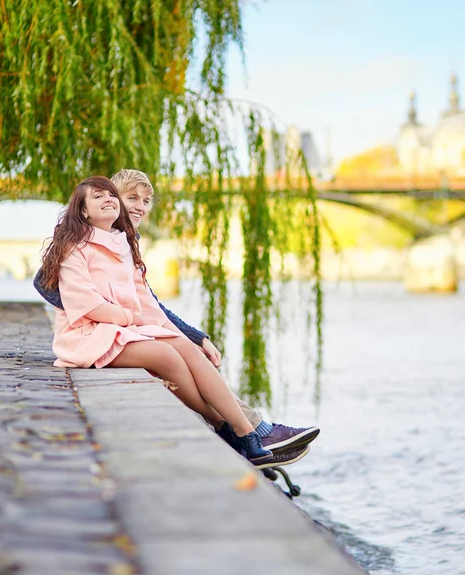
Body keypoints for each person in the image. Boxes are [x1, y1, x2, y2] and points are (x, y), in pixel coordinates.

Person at [35, 170, 319, 466]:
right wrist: (108, 314)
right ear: (84, 209)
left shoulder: (125, 244)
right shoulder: (75, 245)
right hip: (93, 334)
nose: (139, 206)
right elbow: (47, 285)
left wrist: (193, 338)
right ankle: (240, 430)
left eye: (145, 200)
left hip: (124, 328)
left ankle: (248, 433)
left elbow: (150, 305)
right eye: (130, 198)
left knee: (184, 349)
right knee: (168, 353)